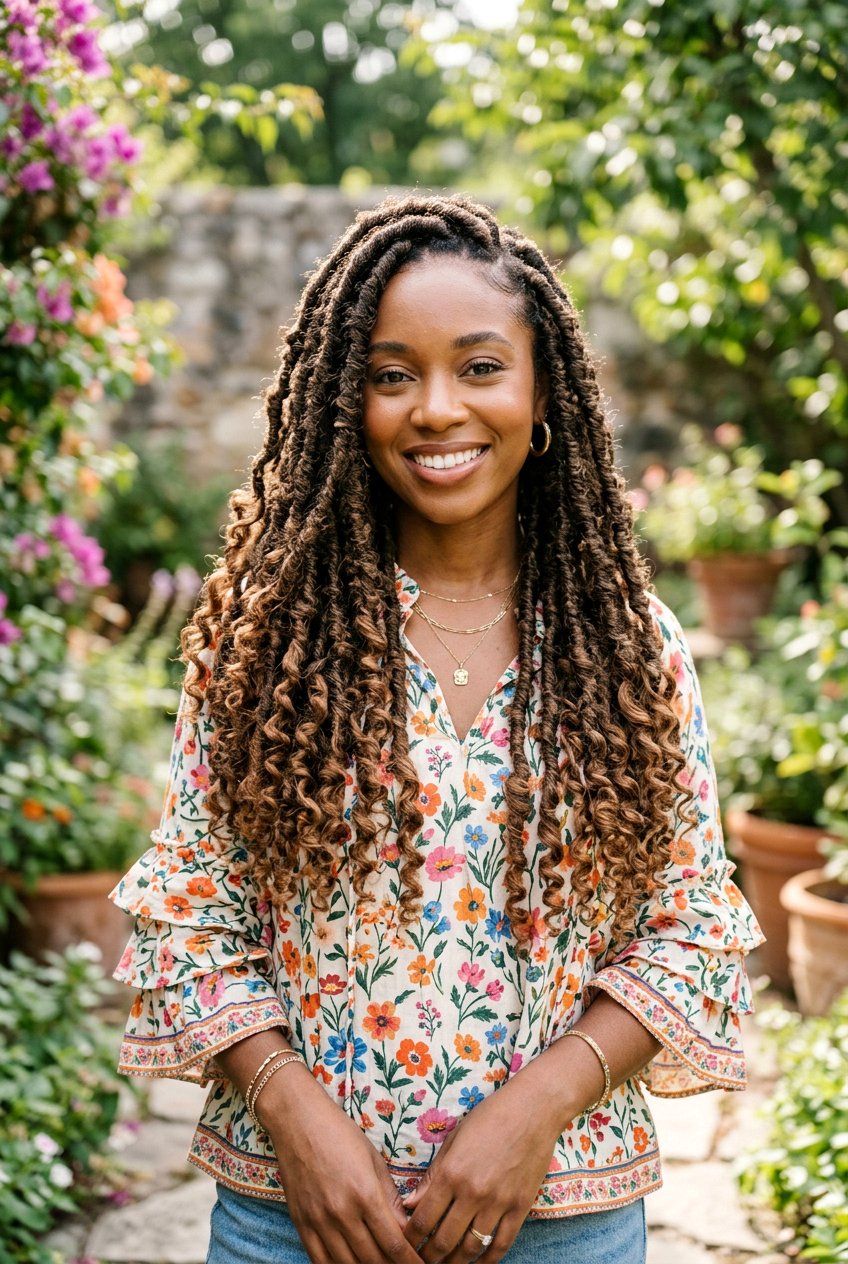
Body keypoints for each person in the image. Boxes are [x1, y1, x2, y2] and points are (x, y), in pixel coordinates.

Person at [110, 192, 764, 1264]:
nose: (434, 409)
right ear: (341, 401)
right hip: (297, 1221)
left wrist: (531, 1112)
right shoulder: (270, 638)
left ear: (541, 388)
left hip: (566, 1222)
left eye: (477, 366)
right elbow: (187, 915)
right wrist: (297, 1120)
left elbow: (688, 925)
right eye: (388, 374)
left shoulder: (626, 646)